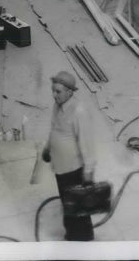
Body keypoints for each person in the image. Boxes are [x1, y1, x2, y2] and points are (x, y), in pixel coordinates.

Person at [42, 71, 96, 241]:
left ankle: (85, 237)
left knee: (77, 207)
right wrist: (48, 148)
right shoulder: (57, 105)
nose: (54, 95)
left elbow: (87, 143)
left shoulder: (79, 111)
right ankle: (72, 234)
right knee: (68, 204)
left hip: (73, 169)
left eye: (58, 91)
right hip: (60, 166)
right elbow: (54, 128)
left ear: (70, 92)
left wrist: (88, 172)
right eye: (53, 90)